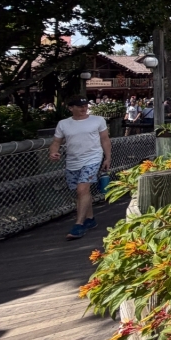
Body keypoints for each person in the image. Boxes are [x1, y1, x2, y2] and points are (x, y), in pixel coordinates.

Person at [49, 96, 111, 240]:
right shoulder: (63, 124)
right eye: (79, 106)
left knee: (82, 189)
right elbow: (56, 141)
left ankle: (79, 224)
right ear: (71, 108)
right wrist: (53, 152)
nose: (84, 109)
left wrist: (108, 157)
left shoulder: (98, 120)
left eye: (85, 106)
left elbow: (105, 139)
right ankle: (90, 219)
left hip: (93, 158)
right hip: (73, 161)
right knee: (81, 192)